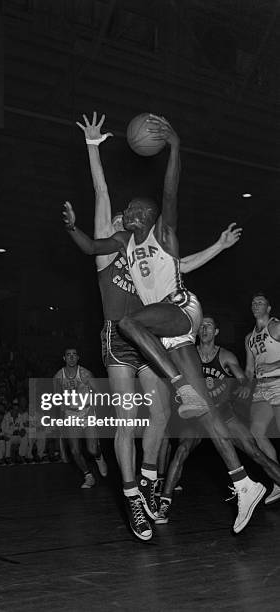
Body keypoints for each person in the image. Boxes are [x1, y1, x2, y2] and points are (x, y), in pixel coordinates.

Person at [63, 114, 265, 534]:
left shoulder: (155, 236)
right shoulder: (113, 248)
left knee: (158, 411)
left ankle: (152, 477)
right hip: (134, 334)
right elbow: (101, 199)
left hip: (161, 323)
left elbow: (178, 251)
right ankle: (232, 485)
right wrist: (92, 150)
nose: (126, 214)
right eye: (124, 213)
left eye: (134, 212)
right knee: (157, 413)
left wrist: (175, 146)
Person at [156, 316, 280, 523]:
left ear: (216, 332)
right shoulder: (188, 355)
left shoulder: (226, 356)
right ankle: (164, 504)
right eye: (201, 326)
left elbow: (243, 378)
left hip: (223, 415)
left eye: (209, 326)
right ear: (196, 332)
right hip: (198, 417)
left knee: (256, 453)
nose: (205, 329)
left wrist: (244, 386)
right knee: (181, 450)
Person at [53, 348, 108, 489]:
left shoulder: (85, 374)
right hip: (71, 415)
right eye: (68, 355)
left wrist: (93, 409)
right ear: (64, 358)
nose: (71, 357)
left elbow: (99, 393)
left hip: (87, 412)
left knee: (91, 450)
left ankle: (98, 456)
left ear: (78, 358)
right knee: (75, 451)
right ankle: (88, 476)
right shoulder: (58, 376)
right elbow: (57, 400)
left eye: (74, 355)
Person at [246, 293, 280, 463]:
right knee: (256, 432)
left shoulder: (276, 326)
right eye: (253, 303)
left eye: (260, 302)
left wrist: (274, 365)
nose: (255, 305)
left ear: (268, 308)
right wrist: (245, 384)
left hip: (279, 382)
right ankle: (277, 481)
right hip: (261, 387)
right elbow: (249, 368)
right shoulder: (249, 338)